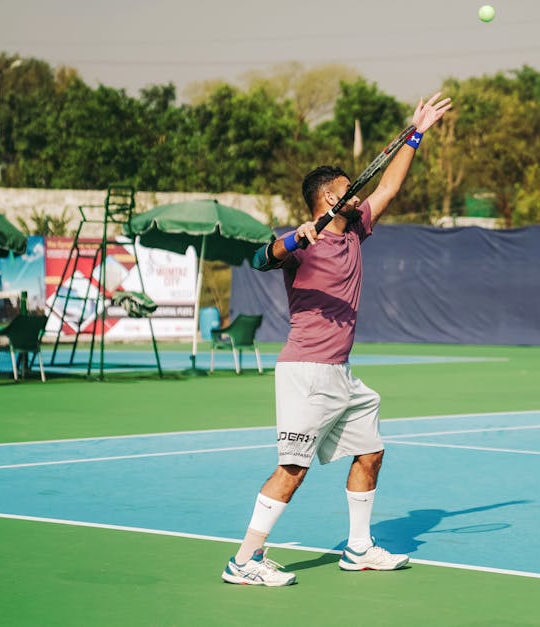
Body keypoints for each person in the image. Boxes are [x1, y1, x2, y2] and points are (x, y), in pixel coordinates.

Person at [221, 92, 452, 587]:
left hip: (341, 374)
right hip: (305, 372)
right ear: (328, 198)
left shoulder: (354, 230)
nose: (358, 192)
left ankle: (359, 548)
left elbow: (388, 185)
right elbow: (261, 259)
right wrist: (292, 240)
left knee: (371, 452)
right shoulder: (302, 245)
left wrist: (417, 132)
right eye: (349, 189)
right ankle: (243, 560)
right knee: (292, 469)